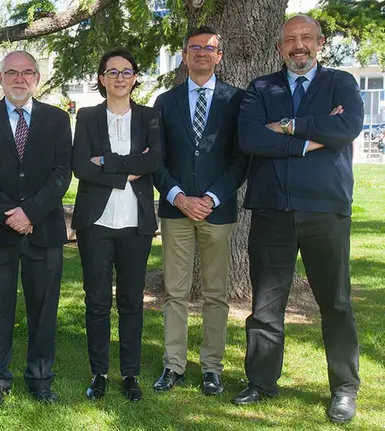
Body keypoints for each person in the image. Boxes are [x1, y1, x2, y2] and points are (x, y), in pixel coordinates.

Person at [234, 15, 363, 424]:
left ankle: (344, 389)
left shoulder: (340, 82)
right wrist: (312, 141)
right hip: (272, 209)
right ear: (279, 48)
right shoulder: (261, 87)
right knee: (266, 306)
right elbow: (251, 138)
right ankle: (260, 382)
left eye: (306, 37)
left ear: (319, 42)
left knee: (336, 304)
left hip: (325, 209)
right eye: (290, 40)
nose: (298, 45)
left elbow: (348, 126)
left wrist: (289, 127)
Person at [0, 50, 72, 405]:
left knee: (43, 307)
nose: (19, 79)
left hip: (44, 229)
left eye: (27, 72)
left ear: (37, 79)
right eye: (11, 72)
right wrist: (10, 214)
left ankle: (41, 378)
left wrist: (31, 213)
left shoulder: (57, 120)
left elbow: (62, 173)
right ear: (0, 79)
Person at [151, 27, 247, 396]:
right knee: (175, 293)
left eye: (210, 48)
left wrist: (211, 197)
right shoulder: (165, 101)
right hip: (176, 212)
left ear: (220, 55)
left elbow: (241, 159)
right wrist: (177, 196)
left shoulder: (236, 100)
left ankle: (211, 368)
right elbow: (155, 159)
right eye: (195, 48)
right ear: (184, 54)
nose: (202, 53)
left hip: (217, 212)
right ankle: (173, 366)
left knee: (216, 294)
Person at [71, 48, 161, 402]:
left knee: (131, 301)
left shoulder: (150, 116)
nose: (120, 78)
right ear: (101, 78)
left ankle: (131, 374)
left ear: (135, 77)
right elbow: (81, 166)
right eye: (112, 72)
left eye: (127, 72)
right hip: (96, 223)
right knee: (96, 301)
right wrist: (127, 168)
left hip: (135, 223)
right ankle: (99, 373)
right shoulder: (88, 116)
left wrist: (107, 162)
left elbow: (154, 159)